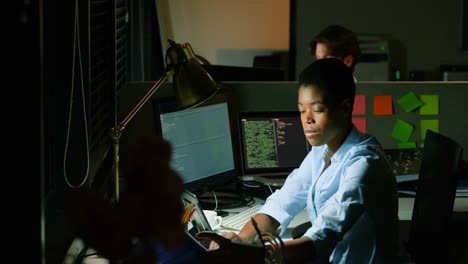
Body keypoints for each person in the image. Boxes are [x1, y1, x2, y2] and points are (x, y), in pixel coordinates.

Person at [207, 58, 399, 263]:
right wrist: (240, 241)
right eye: (301, 110)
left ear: (344, 107)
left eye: (317, 110)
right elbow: (283, 202)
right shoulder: (322, 151)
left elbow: (321, 237)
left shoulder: (365, 164)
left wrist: (253, 255)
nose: (307, 119)